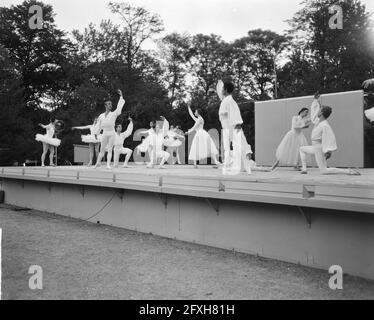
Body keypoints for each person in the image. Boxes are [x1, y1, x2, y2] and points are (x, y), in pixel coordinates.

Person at [299, 106, 360, 175]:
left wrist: (329, 151)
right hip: (315, 147)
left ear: (321, 113)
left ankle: (348, 171)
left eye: (319, 110)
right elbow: (314, 112)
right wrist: (315, 101)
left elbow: (330, 137)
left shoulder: (324, 125)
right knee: (302, 149)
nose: (317, 112)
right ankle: (304, 169)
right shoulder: (318, 121)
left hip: (319, 148)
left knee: (324, 170)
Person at [217, 80, 244, 174]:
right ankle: (227, 164)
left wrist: (237, 125)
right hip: (225, 127)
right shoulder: (225, 100)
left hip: (232, 127)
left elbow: (235, 113)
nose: (221, 90)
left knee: (235, 146)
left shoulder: (230, 101)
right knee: (226, 148)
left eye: (223, 88)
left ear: (226, 90)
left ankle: (236, 166)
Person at [94, 89, 125, 169]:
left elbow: (119, 107)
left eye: (111, 104)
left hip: (111, 133)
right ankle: (97, 163)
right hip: (104, 133)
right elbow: (99, 125)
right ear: (105, 106)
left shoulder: (114, 114)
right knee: (102, 149)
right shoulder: (101, 115)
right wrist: (96, 134)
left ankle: (108, 164)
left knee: (110, 149)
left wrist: (121, 96)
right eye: (109, 104)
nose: (110, 105)